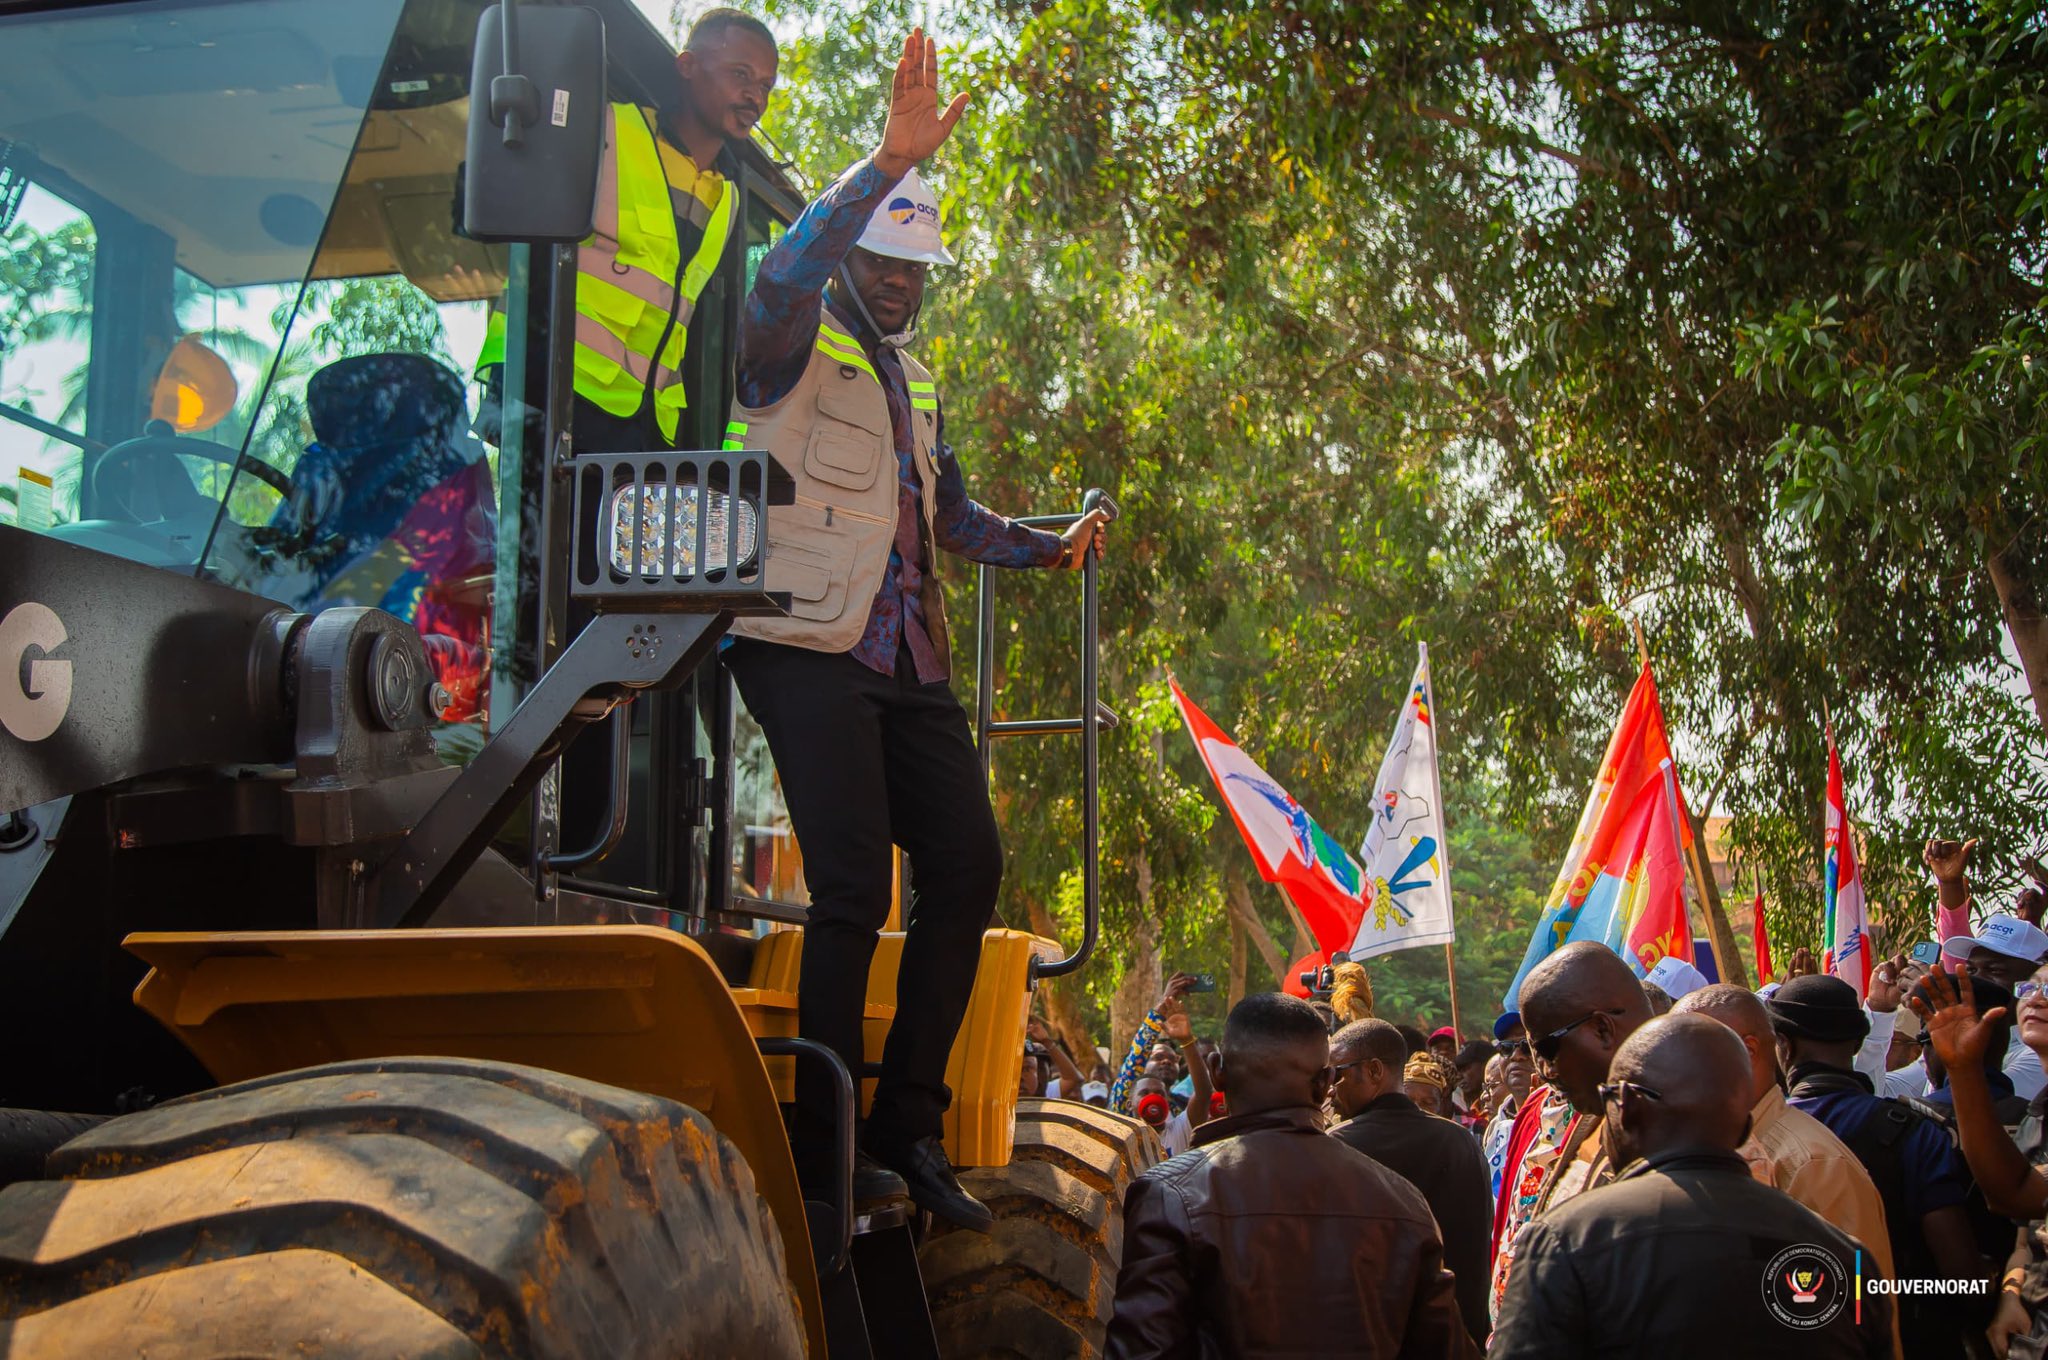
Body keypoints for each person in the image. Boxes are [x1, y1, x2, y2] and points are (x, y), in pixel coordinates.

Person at [723, 29, 1109, 1233]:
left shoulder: (915, 379)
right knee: (849, 883)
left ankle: (907, 1127)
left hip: (907, 659)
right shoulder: (789, 338)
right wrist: (885, 164)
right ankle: (825, 1141)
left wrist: (1047, 547)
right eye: (881, 260)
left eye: (912, 267)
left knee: (967, 866)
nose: (896, 282)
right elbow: (780, 272)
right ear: (852, 255)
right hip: (804, 644)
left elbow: (946, 518)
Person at [1490, 1014, 1895, 1358]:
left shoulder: (1563, 1241)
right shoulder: (1847, 1257)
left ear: (1626, 1107)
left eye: (1608, 1097)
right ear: (1744, 1125)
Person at [1104, 993, 1476, 1359]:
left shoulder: (1169, 1194)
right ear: (1326, 1081)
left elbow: (1143, 1349)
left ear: (1217, 1071)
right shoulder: (1404, 1201)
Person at [475, 8, 777, 452]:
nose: (755, 96)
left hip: (645, 425)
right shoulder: (603, 130)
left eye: (766, 85)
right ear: (687, 66)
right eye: (741, 74)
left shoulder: (728, 197)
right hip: (552, 390)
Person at [1769, 973, 1992, 1355]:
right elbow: (1961, 1276)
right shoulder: (1914, 1132)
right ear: (1858, 1043)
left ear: (1783, 1047)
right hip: (1906, 1337)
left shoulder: (1757, 1135)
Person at [1669, 984, 1897, 1287]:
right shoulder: (1709, 1146)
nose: (1670, 1067)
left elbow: (1857, 1299)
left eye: (1685, 1051)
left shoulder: (1813, 1164)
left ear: (1747, 1051)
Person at [1489, 943, 1653, 1322]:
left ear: (1602, 1029)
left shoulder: (1684, 1124)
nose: (1543, 1072)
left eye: (1547, 1048)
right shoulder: (1585, 1114)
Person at [1330, 1019, 1494, 1344]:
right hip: (1453, 1337)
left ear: (1375, 1071)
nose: (1330, 1088)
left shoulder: (1336, 1146)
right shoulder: (1460, 1142)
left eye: (1338, 1073)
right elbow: (1475, 1268)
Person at [1915, 966, 2048, 1357]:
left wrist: (1964, 1071)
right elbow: (2023, 1217)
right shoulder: (2038, 1114)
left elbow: (2015, 1194)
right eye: (2031, 988)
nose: (2038, 999)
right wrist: (2012, 1292)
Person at [1941, 909, 2048, 1100]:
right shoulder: (1958, 1032)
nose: (1975, 981)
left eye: (1995, 971)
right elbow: (1888, 1089)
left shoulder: (2038, 1052)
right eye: (1970, 970)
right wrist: (1883, 1010)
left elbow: (1971, 1102)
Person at [1450, 1040, 1492, 1126]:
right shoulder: (1465, 1113)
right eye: (1458, 1070)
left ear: (1486, 1066)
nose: (1459, 1076)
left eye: (1465, 1069)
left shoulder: (1504, 1111)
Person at [1403, 1051, 1455, 1118]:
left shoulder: (1459, 1123)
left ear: (1440, 1103)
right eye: (1408, 1102)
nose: (1417, 1109)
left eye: (1427, 1103)